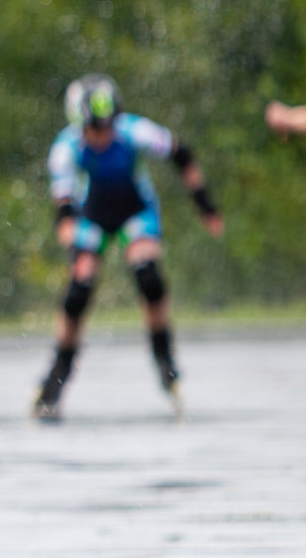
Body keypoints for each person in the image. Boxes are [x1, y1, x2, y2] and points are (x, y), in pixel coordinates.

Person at [31, 75, 221, 422]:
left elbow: (182, 154)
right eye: (95, 129)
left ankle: (164, 358)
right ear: (80, 125)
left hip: (135, 209)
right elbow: (65, 212)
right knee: (79, 291)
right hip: (93, 213)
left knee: (148, 277)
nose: (103, 135)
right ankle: (57, 373)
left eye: (108, 126)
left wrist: (205, 207)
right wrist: (75, 248)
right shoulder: (65, 149)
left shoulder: (134, 131)